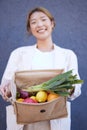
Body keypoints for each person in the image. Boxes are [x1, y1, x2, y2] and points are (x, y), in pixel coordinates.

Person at [0, 7, 82, 130]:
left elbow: (76, 91)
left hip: (54, 120)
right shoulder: (19, 54)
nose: (39, 24)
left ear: (52, 23)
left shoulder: (67, 55)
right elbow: (6, 90)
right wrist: (6, 91)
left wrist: (67, 87)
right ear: (30, 28)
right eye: (33, 22)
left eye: (43, 19)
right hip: (25, 121)